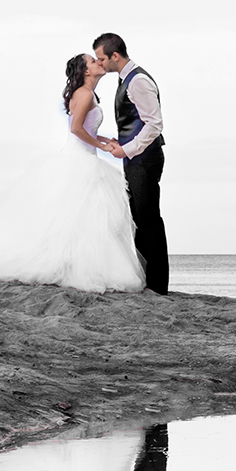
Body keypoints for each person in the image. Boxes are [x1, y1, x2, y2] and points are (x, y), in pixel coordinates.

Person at [0, 53, 144, 292]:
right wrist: (102, 147)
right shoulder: (84, 94)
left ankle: (75, 262)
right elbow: (76, 129)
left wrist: (107, 140)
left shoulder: (88, 94)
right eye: (93, 61)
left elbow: (86, 129)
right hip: (79, 160)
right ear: (85, 71)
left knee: (78, 217)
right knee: (80, 215)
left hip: (83, 157)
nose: (99, 62)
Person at [89, 32, 168, 294]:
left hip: (144, 159)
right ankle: (148, 281)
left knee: (148, 220)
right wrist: (120, 143)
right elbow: (134, 121)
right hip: (136, 156)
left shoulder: (138, 81)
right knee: (139, 217)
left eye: (101, 58)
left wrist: (128, 149)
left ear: (115, 55)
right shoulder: (126, 79)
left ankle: (156, 286)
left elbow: (154, 124)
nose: (99, 63)